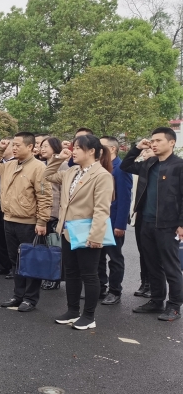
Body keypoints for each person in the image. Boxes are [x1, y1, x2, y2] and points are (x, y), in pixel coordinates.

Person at [45, 135, 114, 329]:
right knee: (72, 272)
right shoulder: (72, 171)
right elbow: (47, 174)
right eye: (73, 147)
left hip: (88, 232)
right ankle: (72, 310)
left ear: (91, 151)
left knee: (89, 274)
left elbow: (102, 209)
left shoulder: (102, 175)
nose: (73, 151)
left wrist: (96, 236)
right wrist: (59, 158)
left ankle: (89, 316)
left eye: (77, 148)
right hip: (68, 230)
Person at [121, 128, 183, 321]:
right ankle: (156, 301)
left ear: (171, 142)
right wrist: (137, 148)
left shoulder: (179, 166)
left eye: (158, 140)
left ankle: (174, 306)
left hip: (168, 224)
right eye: (152, 141)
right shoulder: (149, 163)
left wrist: (181, 224)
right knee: (152, 264)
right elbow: (125, 165)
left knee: (171, 266)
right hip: (145, 221)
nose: (154, 144)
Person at [0, 132, 53, 312]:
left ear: (30, 146)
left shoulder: (39, 167)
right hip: (9, 219)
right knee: (15, 260)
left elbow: (45, 196)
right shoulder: (9, 165)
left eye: (18, 145)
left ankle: (30, 299)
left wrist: (42, 221)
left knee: (30, 261)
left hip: (29, 222)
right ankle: (18, 295)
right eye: (13, 145)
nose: (14, 148)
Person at [98, 136, 133, 305]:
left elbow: (125, 199)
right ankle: (100, 287)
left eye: (101, 146)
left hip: (113, 222)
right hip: (98, 221)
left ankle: (114, 291)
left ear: (112, 149)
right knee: (98, 257)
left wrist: (120, 224)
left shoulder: (121, 168)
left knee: (115, 258)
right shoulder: (100, 166)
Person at [39, 137, 63, 291]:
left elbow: (63, 192)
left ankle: (54, 278)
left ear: (55, 147)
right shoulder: (42, 165)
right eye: (41, 146)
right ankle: (46, 275)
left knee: (54, 247)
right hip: (42, 212)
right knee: (44, 247)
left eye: (46, 146)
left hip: (55, 213)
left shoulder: (63, 165)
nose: (42, 149)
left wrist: (61, 215)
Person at [131, 146, 155, 298]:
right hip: (140, 215)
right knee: (143, 251)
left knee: (155, 255)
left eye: (148, 150)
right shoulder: (141, 168)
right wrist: (136, 148)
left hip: (156, 218)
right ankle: (145, 282)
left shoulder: (164, 168)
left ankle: (153, 285)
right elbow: (126, 165)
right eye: (144, 151)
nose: (144, 153)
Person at [0, 137, 14, 278]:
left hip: (11, 208)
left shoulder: (17, 163)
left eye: (6, 145)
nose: (3, 148)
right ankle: (2, 265)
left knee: (10, 240)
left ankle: (13, 267)